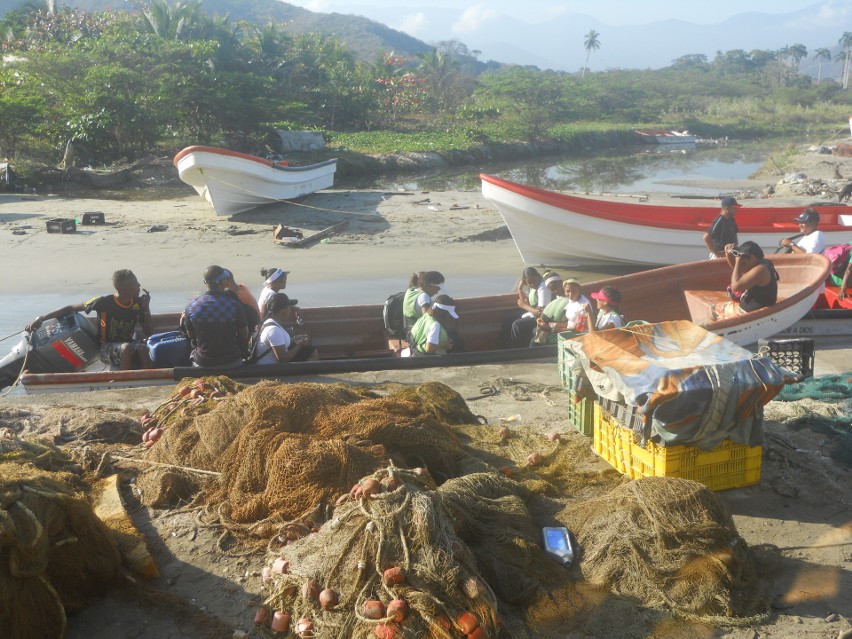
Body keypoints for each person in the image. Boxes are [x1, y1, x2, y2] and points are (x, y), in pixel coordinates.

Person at [25, 269, 153, 370]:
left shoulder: (138, 304)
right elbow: (71, 308)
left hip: (128, 343)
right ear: (125, 288)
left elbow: (148, 332)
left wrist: (146, 308)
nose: (139, 286)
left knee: (142, 349)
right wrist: (41, 318)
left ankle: (149, 382)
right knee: (127, 349)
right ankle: (126, 384)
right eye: (136, 284)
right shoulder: (103, 302)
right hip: (106, 348)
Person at [183, 265, 248, 369]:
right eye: (226, 279)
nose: (227, 282)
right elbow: (244, 335)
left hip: (202, 363)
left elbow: (191, 335)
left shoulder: (191, 306)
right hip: (232, 362)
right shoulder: (235, 306)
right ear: (222, 282)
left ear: (205, 282)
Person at [712, 241, 779, 320]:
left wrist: (737, 261)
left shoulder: (760, 270)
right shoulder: (761, 263)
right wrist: (729, 255)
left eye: (743, 262)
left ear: (752, 258)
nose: (741, 264)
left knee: (712, 310)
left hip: (750, 313)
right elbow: (738, 271)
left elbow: (736, 287)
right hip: (754, 309)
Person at [254, 293, 318, 364]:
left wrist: (294, 339)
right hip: (271, 369)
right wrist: (299, 345)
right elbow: (283, 359)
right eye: (289, 307)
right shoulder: (273, 330)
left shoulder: (270, 322)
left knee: (310, 350)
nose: (290, 310)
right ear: (283, 310)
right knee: (312, 352)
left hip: (273, 365)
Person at [533, 275, 592, 345]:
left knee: (537, 342)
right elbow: (571, 323)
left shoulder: (583, 306)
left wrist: (551, 328)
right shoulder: (572, 300)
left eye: (573, 291)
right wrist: (553, 325)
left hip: (579, 336)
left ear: (579, 290)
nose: (570, 294)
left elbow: (577, 329)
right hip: (570, 330)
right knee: (536, 332)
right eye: (568, 291)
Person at [509, 267, 554, 348]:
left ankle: (518, 350)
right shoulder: (532, 287)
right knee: (509, 318)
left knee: (517, 325)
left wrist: (524, 306)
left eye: (535, 281)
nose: (533, 284)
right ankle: (508, 347)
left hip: (544, 318)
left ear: (539, 277)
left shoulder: (543, 288)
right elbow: (523, 303)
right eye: (529, 283)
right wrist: (520, 289)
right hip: (533, 313)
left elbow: (541, 313)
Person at [221, 269, 261, 333]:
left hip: (251, 329)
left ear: (226, 281)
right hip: (256, 325)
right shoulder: (242, 287)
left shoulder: (236, 297)